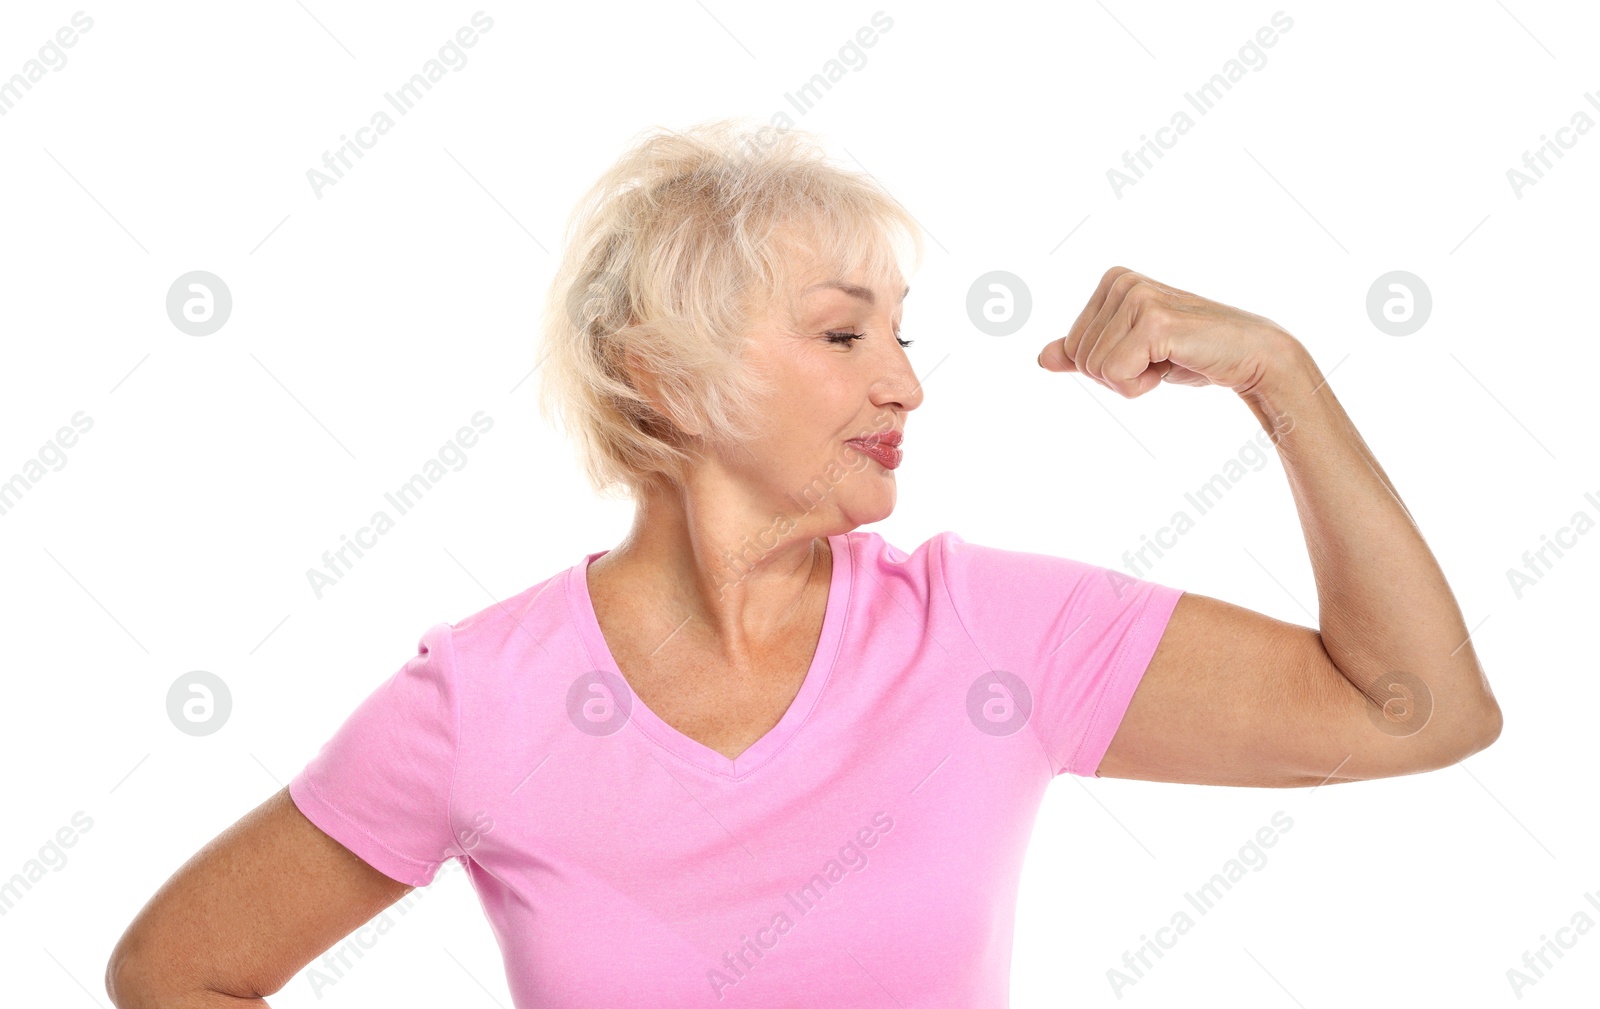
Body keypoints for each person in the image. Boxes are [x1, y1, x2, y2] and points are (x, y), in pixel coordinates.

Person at [105, 118, 1502, 1008]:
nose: (906, 383)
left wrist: (1280, 376)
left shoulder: (990, 639)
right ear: (663, 370)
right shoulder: (486, 699)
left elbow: (1420, 710)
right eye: (845, 334)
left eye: (903, 333)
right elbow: (176, 973)